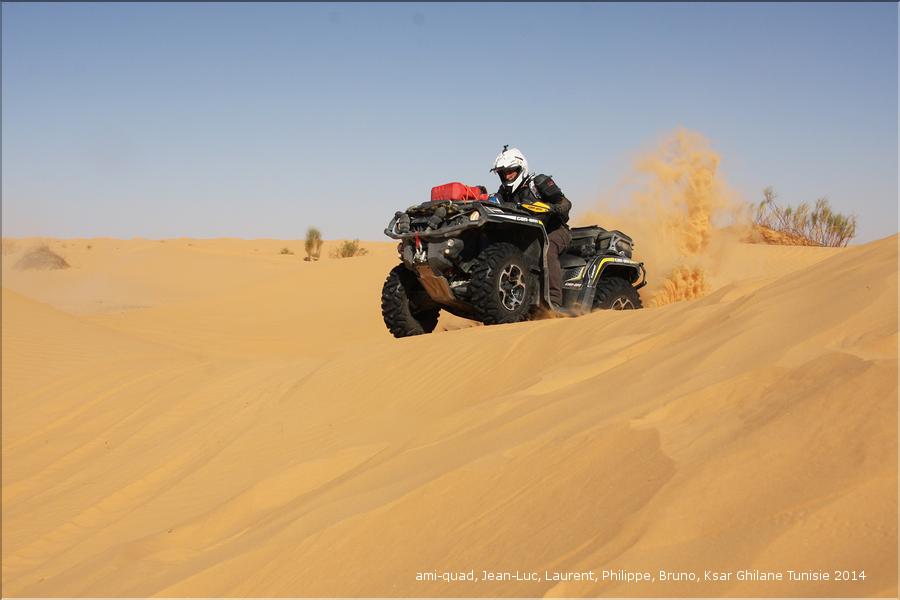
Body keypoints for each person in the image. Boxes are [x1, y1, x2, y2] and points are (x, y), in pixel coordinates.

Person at [490, 146, 572, 310]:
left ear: (521, 168)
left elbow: (565, 203)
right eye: (503, 173)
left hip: (555, 231)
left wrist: (553, 208)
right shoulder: (504, 192)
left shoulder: (539, 183)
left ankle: (554, 301)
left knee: (548, 250)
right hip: (528, 236)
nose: (507, 176)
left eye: (510, 171)